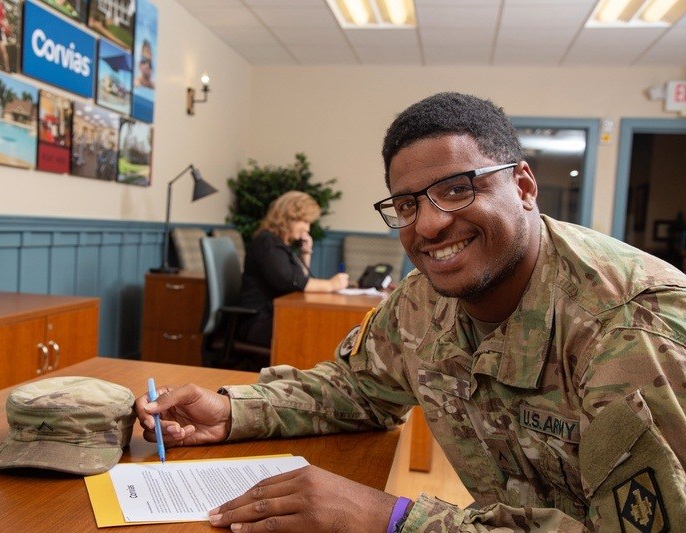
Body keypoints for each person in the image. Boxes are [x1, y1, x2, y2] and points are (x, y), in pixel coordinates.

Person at [135, 92, 686, 531]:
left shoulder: (633, 330)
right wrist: (233, 412)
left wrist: (392, 518)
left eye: (456, 189)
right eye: (406, 205)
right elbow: (354, 389)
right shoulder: (422, 301)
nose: (426, 225)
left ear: (522, 186)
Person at [235, 191, 350, 348]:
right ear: (288, 218)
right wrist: (330, 285)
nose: (307, 229)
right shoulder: (267, 242)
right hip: (258, 321)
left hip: (275, 315)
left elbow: (299, 276)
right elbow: (288, 281)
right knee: (317, 333)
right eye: (304, 221)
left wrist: (305, 252)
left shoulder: (281, 245)